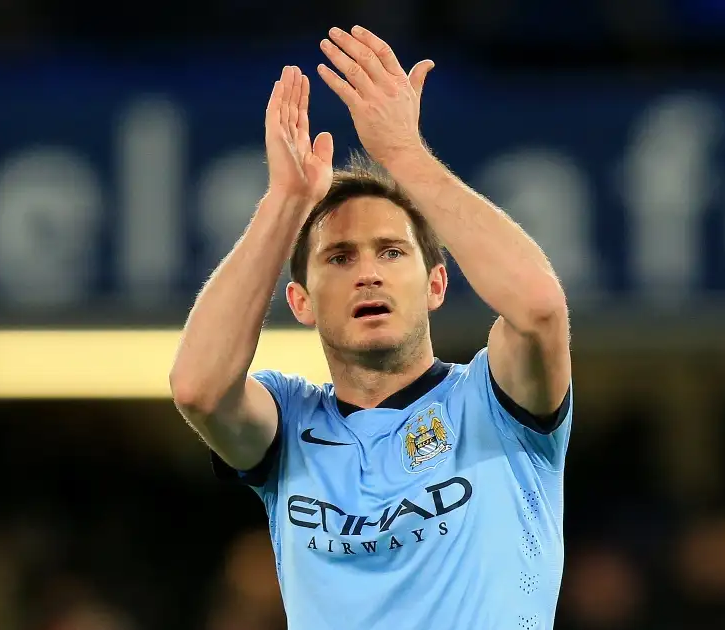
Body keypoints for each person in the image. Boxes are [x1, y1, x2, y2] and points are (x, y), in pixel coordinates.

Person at [170, 26, 573, 630]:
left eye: (391, 252)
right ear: (301, 302)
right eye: (339, 257)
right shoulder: (291, 427)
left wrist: (404, 155)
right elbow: (198, 389)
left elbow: (540, 307)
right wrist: (286, 200)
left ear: (436, 284)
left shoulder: (496, 403)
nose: (368, 275)